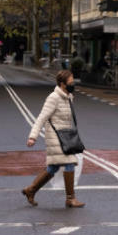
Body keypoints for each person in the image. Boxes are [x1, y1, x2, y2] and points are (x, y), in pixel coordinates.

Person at [22, 70, 85, 208]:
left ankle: (30, 190)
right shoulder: (53, 97)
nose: (73, 84)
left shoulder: (68, 97)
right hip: (56, 138)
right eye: (71, 82)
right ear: (62, 84)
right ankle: (70, 198)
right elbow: (41, 118)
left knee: (53, 167)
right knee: (69, 163)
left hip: (65, 137)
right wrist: (33, 136)